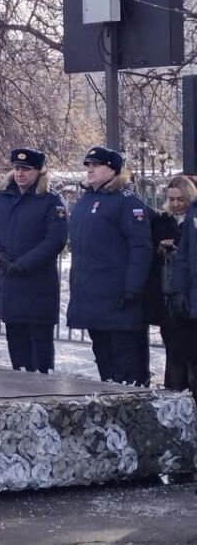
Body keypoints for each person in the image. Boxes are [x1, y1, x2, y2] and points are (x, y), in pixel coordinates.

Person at [66, 146, 152, 386]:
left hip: (118, 297)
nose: (90, 169)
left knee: (126, 364)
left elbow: (140, 248)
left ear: (112, 170)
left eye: (96, 165)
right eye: (88, 165)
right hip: (92, 295)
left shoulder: (126, 202)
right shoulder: (86, 200)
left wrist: (132, 288)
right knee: (104, 362)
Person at [0, 148, 67, 373]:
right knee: (17, 348)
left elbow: (55, 240)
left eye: (26, 169)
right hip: (9, 283)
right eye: (17, 168)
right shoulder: (3, 197)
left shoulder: (50, 200)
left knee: (40, 353)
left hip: (37, 286)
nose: (20, 174)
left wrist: (24, 263)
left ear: (38, 172)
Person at [152, 176, 197, 392]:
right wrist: (160, 250)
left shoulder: (192, 219)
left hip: (188, 293)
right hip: (170, 296)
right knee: (174, 352)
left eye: (181, 199)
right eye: (172, 199)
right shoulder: (161, 221)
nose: (176, 204)